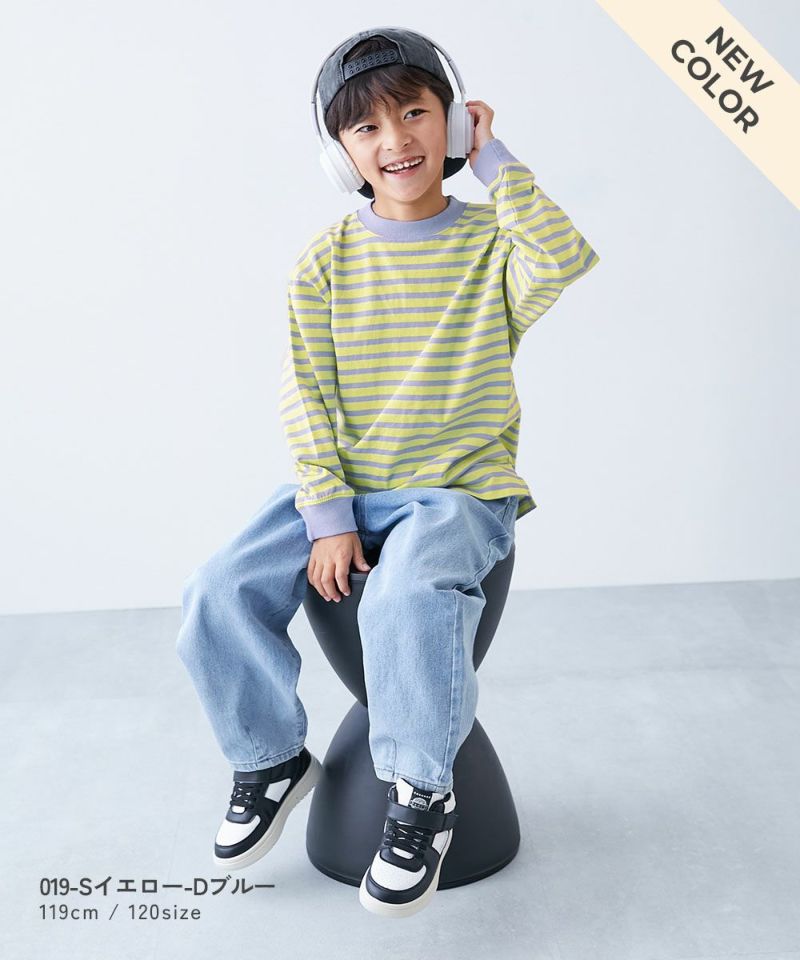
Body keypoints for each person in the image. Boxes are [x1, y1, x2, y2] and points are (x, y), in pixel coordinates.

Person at [176, 26, 599, 918]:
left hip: (457, 493)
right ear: (341, 153)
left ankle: (422, 796)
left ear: (452, 126)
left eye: (415, 115)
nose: (396, 140)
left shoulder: (494, 246)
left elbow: (562, 256)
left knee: (403, 601)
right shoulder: (324, 263)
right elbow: (306, 395)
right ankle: (269, 758)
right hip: (347, 487)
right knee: (216, 589)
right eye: (366, 128)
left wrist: (494, 160)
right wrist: (328, 515)